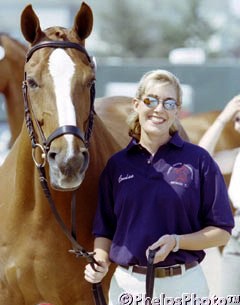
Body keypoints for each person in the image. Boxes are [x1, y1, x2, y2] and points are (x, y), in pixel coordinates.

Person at [84, 69, 234, 304]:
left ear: (177, 110)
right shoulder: (117, 165)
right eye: (151, 100)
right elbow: (104, 231)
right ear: (136, 104)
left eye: (168, 102)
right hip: (127, 287)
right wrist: (100, 261)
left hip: (184, 286)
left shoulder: (199, 161)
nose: (159, 109)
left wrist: (177, 241)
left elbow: (222, 233)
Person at [198, 95, 240, 296]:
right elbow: (202, 159)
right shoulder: (237, 156)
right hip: (236, 239)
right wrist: (223, 119)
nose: (236, 119)